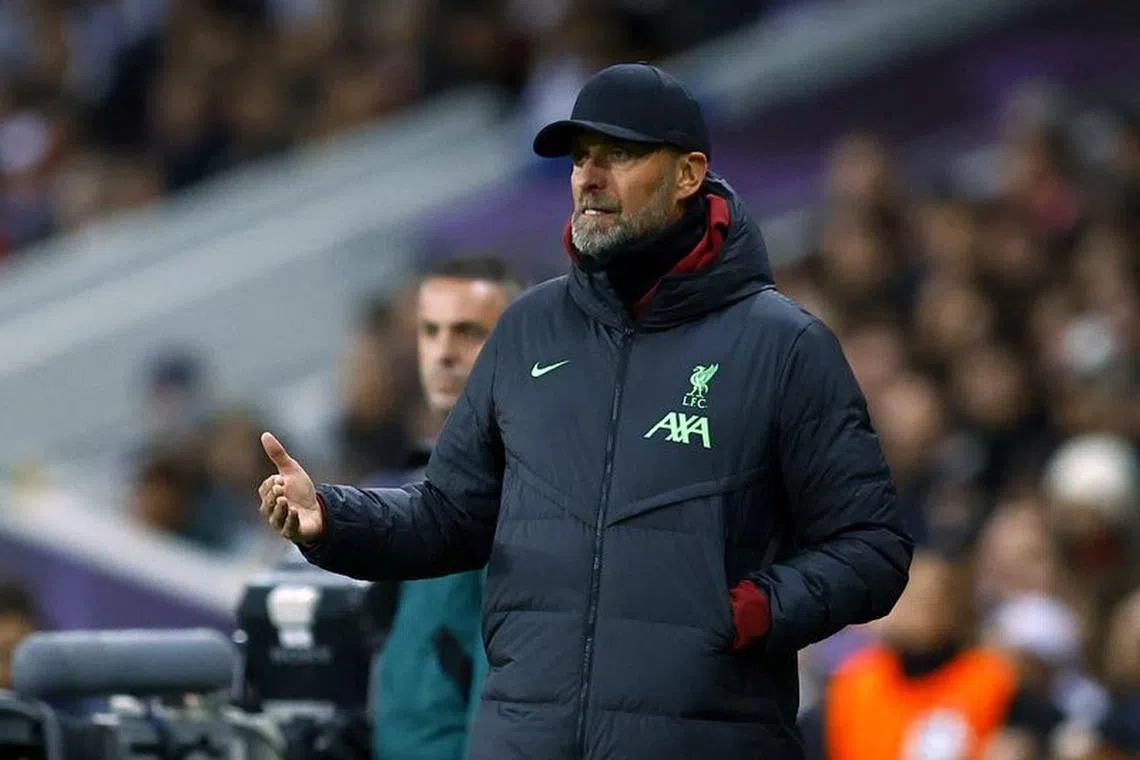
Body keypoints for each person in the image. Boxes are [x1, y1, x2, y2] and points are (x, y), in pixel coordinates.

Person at [258, 62, 913, 759]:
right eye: (579, 158)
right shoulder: (528, 329)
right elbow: (449, 517)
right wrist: (331, 517)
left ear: (688, 175)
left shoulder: (783, 345)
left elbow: (871, 548)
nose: (588, 178)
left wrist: (745, 613)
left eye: (618, 155)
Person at [366, 256, 523, 760]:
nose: (443, 353)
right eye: (430, 331)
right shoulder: (426, 477)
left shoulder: (518, 489)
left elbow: (502, 689)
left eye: (468, 332)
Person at [798, 551, 1064, 760]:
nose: (914, 610)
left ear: (954, 608)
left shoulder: (992, 677)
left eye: (929, 598)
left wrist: (1023, 748)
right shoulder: (855, 680)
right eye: (907, 597)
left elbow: (1054, 735)